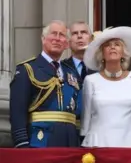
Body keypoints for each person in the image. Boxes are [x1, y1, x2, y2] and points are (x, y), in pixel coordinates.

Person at [9, 20, 81, 148]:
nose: (57, 39)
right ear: (43, 39)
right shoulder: (28, 69)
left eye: (62, 35)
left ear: (66, 44)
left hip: (70, 143)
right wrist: (22, 144)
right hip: (40, 141)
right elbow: (17, 112)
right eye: (54, 34)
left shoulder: (72, 73)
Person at [81, 26, 131, 147]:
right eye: (107, 45)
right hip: (99, 145)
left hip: (130, 143)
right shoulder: (90, 80)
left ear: (123, 52)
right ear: (101, 54)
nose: (112, 47)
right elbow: (86, 119)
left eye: (117, 44)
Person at [61, 21, 94, 130]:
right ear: (68, 42)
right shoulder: (60, 68)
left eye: (83, 32)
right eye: (75, 33)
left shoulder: (102, 69)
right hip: (70, 130)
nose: (79, 36)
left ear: (91, 38)